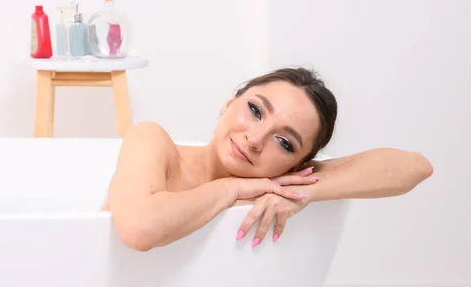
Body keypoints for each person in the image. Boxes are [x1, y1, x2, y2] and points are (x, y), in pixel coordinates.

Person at [102, 67, 433, 252]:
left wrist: (305, 192)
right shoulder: (154, 142)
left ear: (295, 168)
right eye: (256, 110)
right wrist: (230, 189)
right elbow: (139, 230)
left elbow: (416, 167)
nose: (256, 139)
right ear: (229, 103)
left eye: (285, 142)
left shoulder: (276, 184)